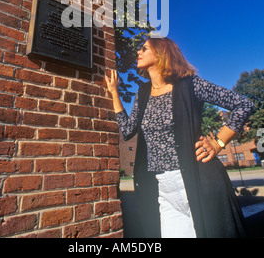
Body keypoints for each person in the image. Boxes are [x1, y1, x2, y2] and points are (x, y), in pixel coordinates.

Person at [105, 37, 255, 238]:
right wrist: (114, 93)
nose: (138, 53)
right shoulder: (142, 92)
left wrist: (218, 143)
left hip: (198, 181)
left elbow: (243, 105)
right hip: (163, 189)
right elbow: (127, 129)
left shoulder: (190, 84)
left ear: (160, 53)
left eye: (144, 48)